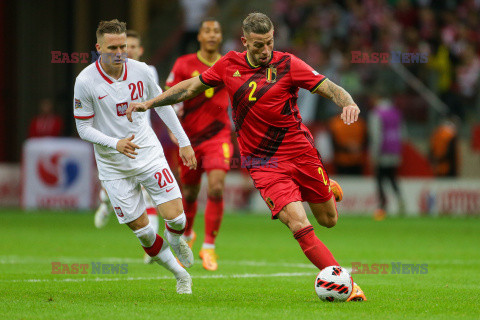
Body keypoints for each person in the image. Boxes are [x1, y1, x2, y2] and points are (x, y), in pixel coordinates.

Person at [127, 13, 366, 301]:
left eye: (269, 43)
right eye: (257, 46)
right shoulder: (229, 65)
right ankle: (346, 285)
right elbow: (190, 87)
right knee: (298, 224)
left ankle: (327, 187)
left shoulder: (288, 64)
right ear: (244, 42)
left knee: (329, 220)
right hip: (263, 163)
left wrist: (348, 102)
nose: (265, 51)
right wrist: (150, 103)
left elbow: (330, 88)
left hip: (299, 152)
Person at [74, 19, 197, 294]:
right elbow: (83, 128)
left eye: (123, 47)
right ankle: (180, 275)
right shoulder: (85, 81)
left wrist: (184, 143)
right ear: (98, 48)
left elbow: (163, 104)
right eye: (112, 47)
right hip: (113, 166)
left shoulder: (140, 71)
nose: (119, 53)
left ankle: (176, 240)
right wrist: (115, 143)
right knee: (142, 231)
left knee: (177, 219)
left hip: (147, 153)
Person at [165, 18, 231, 271]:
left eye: (216, 31)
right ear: (200, 37)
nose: (212, 35)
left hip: (218, 137)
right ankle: (188, 235)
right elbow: (169, 95)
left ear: (221, 37)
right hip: (189, 140)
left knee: (216, 188)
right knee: (190, 193)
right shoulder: (184, 64)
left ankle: (209, 247)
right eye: (207, 31)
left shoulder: (229, 64)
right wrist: (173, 127)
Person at [93, 29, 163, 265]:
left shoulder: (146, 71)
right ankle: (105, 201)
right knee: (116, 186)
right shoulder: (105, 75)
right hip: (115, 138)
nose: (128, 51)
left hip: (142, 139)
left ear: (140, 50)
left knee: (148, 194)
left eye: (133, 47)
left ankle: (151, 249)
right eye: (126, 46)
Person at [368, 97, 405, 221]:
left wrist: (374, 154)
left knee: (380, 179)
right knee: (392, 177)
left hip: (382, 152)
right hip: (394, 151)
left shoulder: (376, 114)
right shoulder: (396, 113)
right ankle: (400, 201)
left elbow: (376, 135)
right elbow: (402, 133)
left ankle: (382, 206)